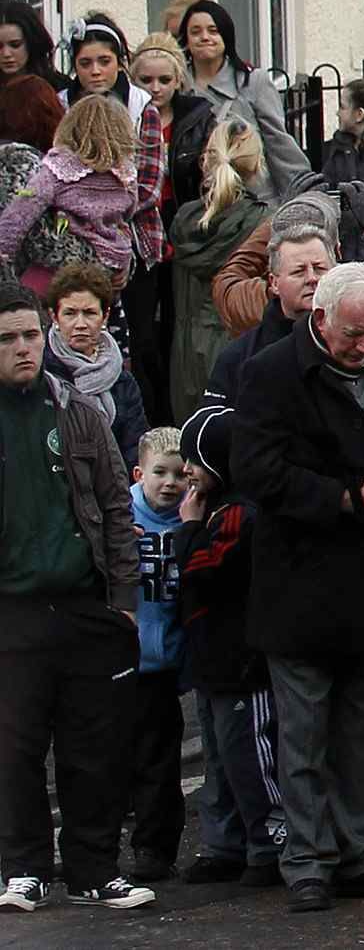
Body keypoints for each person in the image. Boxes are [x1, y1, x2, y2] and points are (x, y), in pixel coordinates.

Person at [231, 261, 364, 910]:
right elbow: (257, 471)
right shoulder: (269, 373)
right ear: (320, 317)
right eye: (354, 332)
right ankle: (308, 860)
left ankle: (360, 852)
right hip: (300, 586)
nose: (363, 345)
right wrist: (345, 498)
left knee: (362, 733)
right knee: (302, 735)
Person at [0, 280, 147, 913]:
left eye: (31, 334)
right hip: (12, 612)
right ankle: (23, 868)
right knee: (15, 750)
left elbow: (117, 506)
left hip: (87, 606)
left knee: (94, 751)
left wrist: (123, 601)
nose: (23, 348)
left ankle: (94, 868)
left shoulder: (79, 410)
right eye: (7, 339)